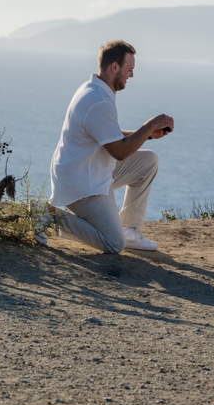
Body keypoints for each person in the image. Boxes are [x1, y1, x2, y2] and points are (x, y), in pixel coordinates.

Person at [47, 40, 173, 254]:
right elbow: (120, 152)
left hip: (93, 171)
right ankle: (48, 216)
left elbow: (109, 136)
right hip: (82, 185)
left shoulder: (95, 89)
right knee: (114, 243)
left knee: (148, 161)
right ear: (115, 67)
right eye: (129, 69)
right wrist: (149, 125)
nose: (131, 75)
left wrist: (147, 135)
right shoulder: (98, 101)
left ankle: (129, 229)